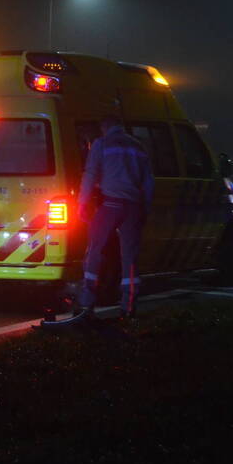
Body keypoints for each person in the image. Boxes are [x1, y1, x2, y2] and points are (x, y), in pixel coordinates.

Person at [76, 115, 154, 321]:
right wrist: (144, 209)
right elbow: (148, 182)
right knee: (129, 257)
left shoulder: (101, 144)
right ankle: (128, 307)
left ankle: (86, 303)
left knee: (95, 249)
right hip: (133, 207)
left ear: (104, 126)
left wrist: (82, 203)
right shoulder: (138, 146)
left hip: (110, 204)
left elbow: (90, 174)